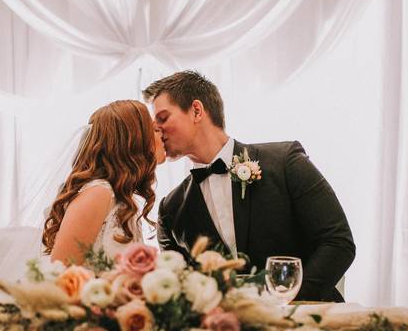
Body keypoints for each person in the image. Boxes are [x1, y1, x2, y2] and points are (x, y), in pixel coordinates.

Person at [143, 71, 354, 302]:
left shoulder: (285, 162)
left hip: (309, 319)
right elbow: (179, 289)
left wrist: (287, 303)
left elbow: (337, 242)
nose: (157, 131)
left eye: (163, 118)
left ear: (196, 110)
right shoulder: (171, 209)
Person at [42, 99, 165, 266]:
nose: (162, 135)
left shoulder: (121, 199)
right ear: (132, 141)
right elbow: (60, 275)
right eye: (155, 130)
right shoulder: (98, 193)